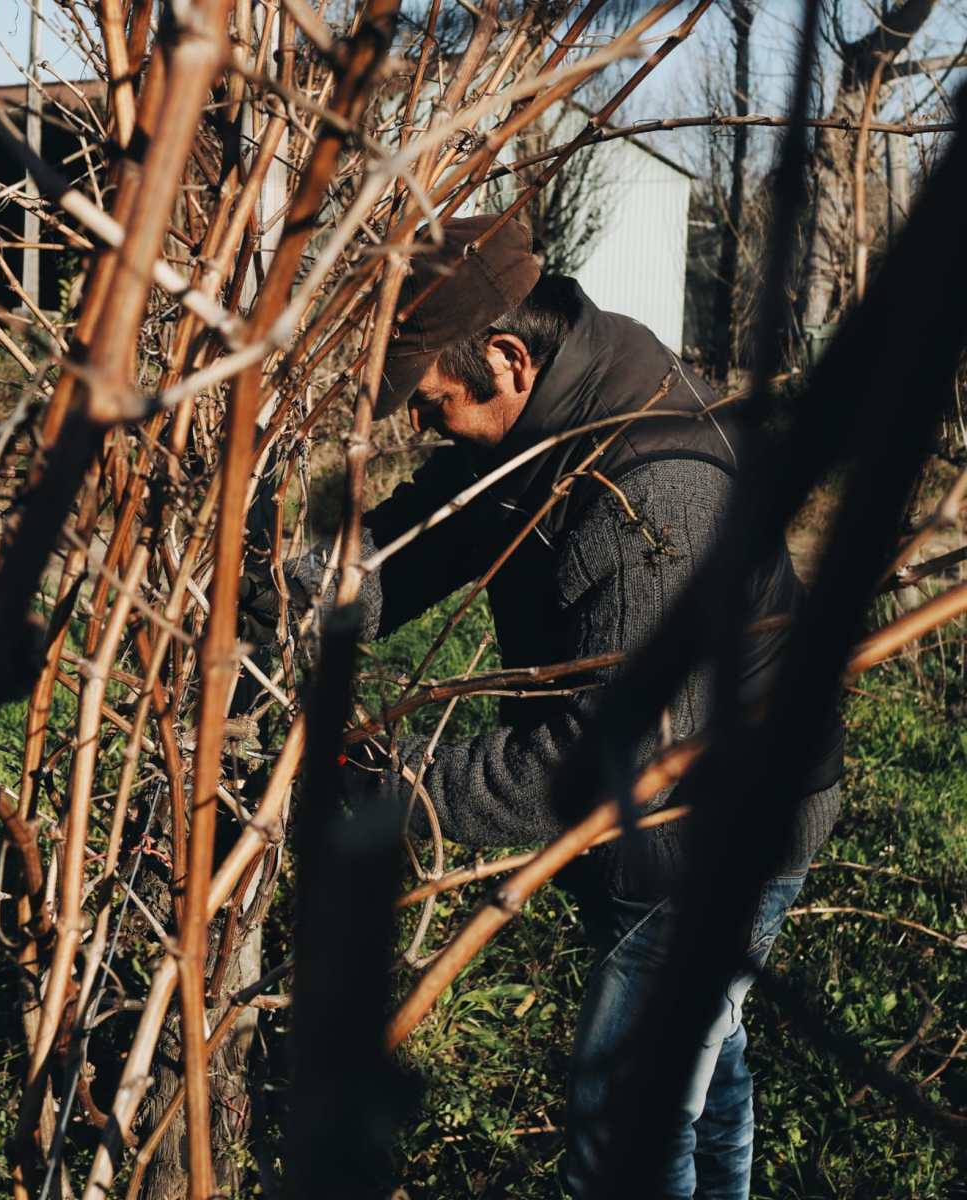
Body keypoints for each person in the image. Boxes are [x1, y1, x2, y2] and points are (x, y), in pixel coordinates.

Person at [302, 216, 844, 1198]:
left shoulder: (648, 481)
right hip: (671, 812)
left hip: (714, 827)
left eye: (430, 405)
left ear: (507, 358)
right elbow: (443, 524)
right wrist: (313, 590)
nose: (423, 429)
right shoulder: (568, 392)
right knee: (700, 1063)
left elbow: (598, 751)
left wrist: (389, 780)